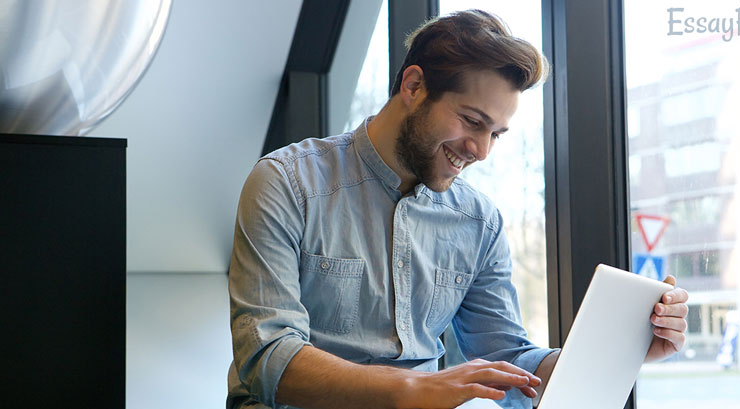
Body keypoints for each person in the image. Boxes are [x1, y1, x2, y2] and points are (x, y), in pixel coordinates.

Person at [226, 9, 689, 409]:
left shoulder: (479, 222)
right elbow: (269, 358)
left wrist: (618, 351)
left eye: (496, 134)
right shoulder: (287, 183)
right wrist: (413, 389)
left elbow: (506, 355)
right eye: (472, 121)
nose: (482, 151)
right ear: (413, 85)